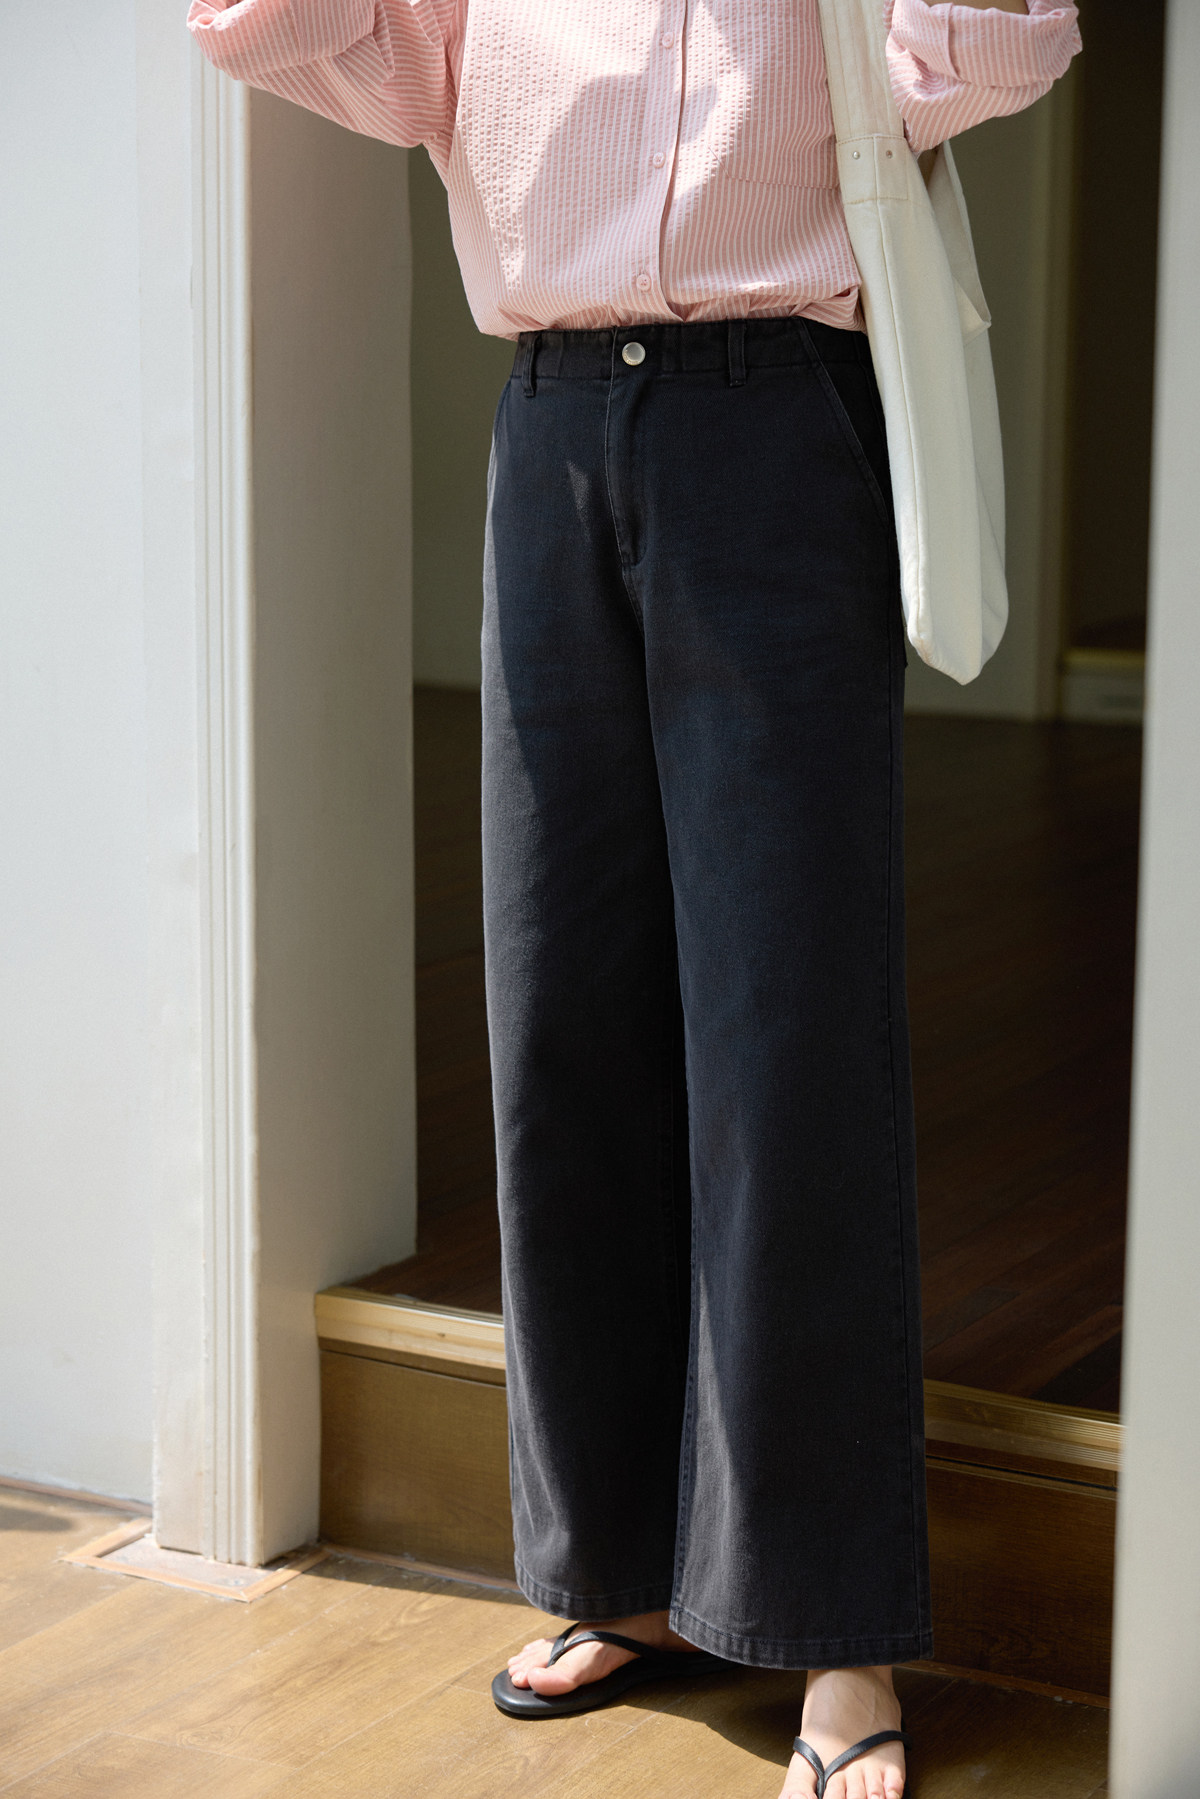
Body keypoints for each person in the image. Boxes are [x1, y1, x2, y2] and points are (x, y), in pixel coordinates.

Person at [188, 2, 1081, 1793]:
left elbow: (1004, 46)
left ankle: (831, 1631)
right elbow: (271, 34)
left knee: (786, 1035)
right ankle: (617, 1568)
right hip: (555, 429)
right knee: (564, 1020)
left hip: (781, 428)